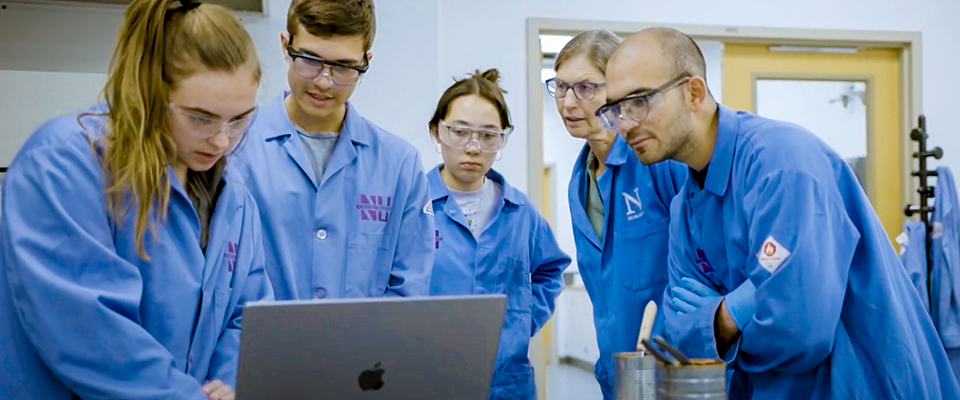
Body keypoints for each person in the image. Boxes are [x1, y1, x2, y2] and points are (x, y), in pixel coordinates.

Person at [599, 26, 960, 399]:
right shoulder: (684, 209)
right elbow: (681, 336)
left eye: (638, 101)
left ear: (693, 92)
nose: (624, 124)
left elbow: (798, 331)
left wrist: (718, 318)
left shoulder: (783, 166)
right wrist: (738, 307)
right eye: (614, 109)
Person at [0, 1, 273, 398]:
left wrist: (231, 385)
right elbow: (91, 332)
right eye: (201, 118)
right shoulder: (64, 164)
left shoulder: (234, 195)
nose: (222, 140)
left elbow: (246, 317)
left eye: (240, 119)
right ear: (151, 92)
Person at [231, 0, 434, 300]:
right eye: (310, 60)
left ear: (366, 61)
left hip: (368, 347)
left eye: (342, 67)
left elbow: (410, 291)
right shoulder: (234, 150)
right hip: (262, 346)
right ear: (286, 46)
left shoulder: (399, 165)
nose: (324, 82)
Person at [545, 30, 686, 399]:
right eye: (560, 87)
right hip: (617, 372)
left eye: (586, 88)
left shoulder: (657, 161)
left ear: (618, 89)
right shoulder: (580, 181)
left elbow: (704, 267)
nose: (568, 103)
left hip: (676, 367)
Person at [427, 69, 570, 399]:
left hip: (507, 382)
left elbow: (551, 269)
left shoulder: (520, 211)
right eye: (459, 132)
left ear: (503, 138)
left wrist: (521, 321)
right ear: (437, 132)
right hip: (431, 374)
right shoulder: (413, 208)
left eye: (489, 135)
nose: (473, 147)